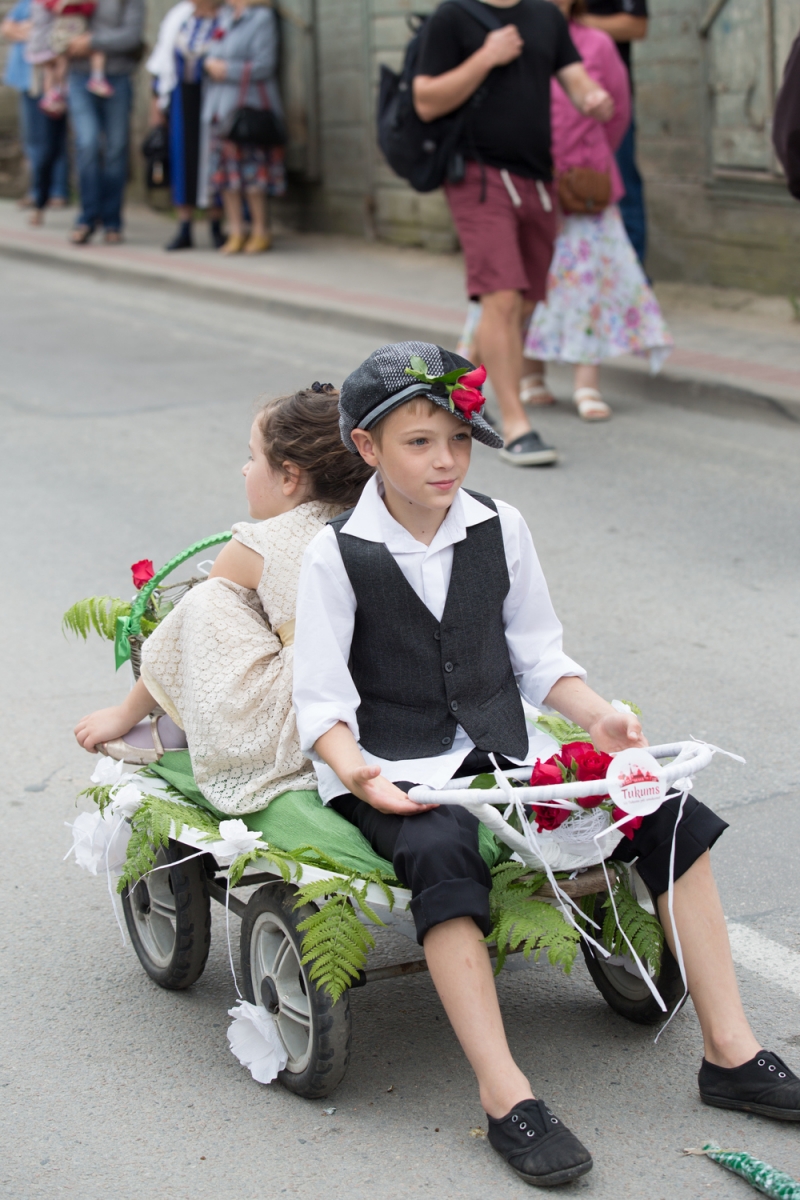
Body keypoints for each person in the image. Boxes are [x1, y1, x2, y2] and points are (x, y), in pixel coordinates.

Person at [293, 340, 800, 1188]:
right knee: (444, 854)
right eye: (420, 442)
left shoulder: (501, 525)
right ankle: (506, 1094)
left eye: (458, 438)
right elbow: (321, 704)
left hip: (507, 749)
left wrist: (598, 716)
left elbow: (539, 659)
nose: (446, 459)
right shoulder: (334, 555)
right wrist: (358, 773)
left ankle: (731, 1053)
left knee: (666, 812)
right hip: (394, 768)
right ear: (367, 448)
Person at [73, 385, 374, 816]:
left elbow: (186, 634)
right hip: (373, 702)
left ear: (289, 477)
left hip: (296, 723)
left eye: (252, 457)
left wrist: (122, 715)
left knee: (205, 601)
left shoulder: (258, 544)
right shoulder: (377, 522)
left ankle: (181, 727)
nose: (243, 469)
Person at [412, 0, 615, 467]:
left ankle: (453, 385)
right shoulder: (452, 18)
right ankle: (515, 422)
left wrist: (591, 98)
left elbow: (575, 76)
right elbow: (425, 100)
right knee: (501, 298)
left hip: (537, 179)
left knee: (523, 301)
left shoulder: (544, 15)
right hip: (477, 177)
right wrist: (486, 56)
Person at [522, 0, 671, 419]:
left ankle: (587, 384)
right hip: (530, 180)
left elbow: (617, 114)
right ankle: (530, 374)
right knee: (530, 280)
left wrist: (590, 158)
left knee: (586, 284)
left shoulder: (597, 43)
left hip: (585, 187)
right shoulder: (516, 41)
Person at [202, 0, 285, 255]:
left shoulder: (262, 18)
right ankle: (236, 230)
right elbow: (212, 50)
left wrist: (226, 70)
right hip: (219, 107)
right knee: (226, 176)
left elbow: (264, 64)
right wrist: (210, 64)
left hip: (249, 106)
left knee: (252, 173)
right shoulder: (224, 17)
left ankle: (260, 230)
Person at [146, 0, 226, 250]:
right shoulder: (178, 17)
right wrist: (157, 104)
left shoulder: (225, 17)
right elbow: (160, 64)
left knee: (215, 158)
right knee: (183, 159)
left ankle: (217, 226)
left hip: (215, 97)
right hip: (182, 97)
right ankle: (184, 227)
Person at [65, 0, 145, 244]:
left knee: (115, 149)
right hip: (80, 76)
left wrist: (92, 41)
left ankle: (112, 220)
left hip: (117, 77)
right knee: (87, 143)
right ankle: (87, 217)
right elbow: (56, 26)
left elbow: (131, 36)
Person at [583, 0, 648, 265]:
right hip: (555, 106)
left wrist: (575, 21)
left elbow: (637, 25)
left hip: (608, 107)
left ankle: (632, 281)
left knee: (621, 188)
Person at [2, 0, 70, 217]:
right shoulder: (27, 3)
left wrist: (31, 32)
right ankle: (37, 191)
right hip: (28, 82)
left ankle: (56, 191)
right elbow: (7, 28)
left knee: (54, 140)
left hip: (55, 82)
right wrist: (32, 32)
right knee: (33, 140)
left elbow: (59, 34)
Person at [26, 0, 111, 118]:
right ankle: (53, 93)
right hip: (60, 35)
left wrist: (72, 4)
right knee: (55, 65)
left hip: (75, 32)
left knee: (62, 64)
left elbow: (89, 9)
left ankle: (58, 91)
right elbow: (54, 7)